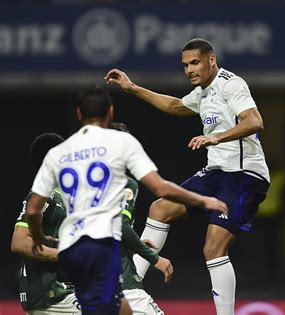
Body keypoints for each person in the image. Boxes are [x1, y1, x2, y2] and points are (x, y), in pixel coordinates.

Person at [25, 86, 228, 315]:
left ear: (79, 115)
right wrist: (202, 200)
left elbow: (33, 210)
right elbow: (160, 186)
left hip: (73, 253)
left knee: (120, 311)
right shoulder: (120, 143)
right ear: (110, 112)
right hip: (102, 246)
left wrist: (39, 236)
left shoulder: (58, 153)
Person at [105, 37, 270, 315]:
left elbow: (255, 121)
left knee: (213, 248)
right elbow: (175, 107)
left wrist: (216, 137)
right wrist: (132, 88)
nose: (190, 70)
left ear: (211, 60)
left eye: (195, 62)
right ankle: (131, 290)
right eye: (185, 65)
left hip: (244, 174)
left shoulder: (232, 84)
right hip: (216, 173)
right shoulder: (203, 91)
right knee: (160, 207)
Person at [11, 132, 81, 315]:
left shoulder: (64, 196)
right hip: (51, 295)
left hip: (65, 292)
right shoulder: (44, 196)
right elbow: (19, 243)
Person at [110, 122, 168, 315]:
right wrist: (153, 258)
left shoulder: (84, 181)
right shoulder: (124, 183)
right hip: (122, 281)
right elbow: (121, 225)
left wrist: (131, 243)